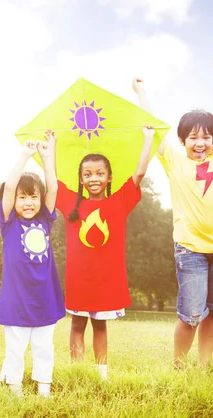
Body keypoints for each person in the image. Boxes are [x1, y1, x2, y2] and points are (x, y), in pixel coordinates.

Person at [134, 45, 213, 368]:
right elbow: (153, 122)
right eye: (193, 137)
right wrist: (141, 92)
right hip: (190, 250)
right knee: (191, 315)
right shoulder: (174, 160)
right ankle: (179, 369)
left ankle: (203, 367)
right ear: (182, 140)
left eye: (206, 137)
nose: (200, 143)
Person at [57, 123, 155, 380]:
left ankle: (101, 375)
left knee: (100, 326)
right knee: (77, 325)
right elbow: (51, 182)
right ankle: (77, 374)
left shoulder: (119, 202)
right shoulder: (70, 203)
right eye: (87, 174)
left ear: (109, 177)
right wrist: (50, 149)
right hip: (79, 279)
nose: (94, 179)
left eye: (100, 173)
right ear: (81, 179)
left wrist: (149, 138)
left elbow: (140, 172)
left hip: (105, 281)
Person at [0, 133, 65, 397]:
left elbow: (53, 189)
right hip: (16, 298)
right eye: (23, 198)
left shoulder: (45, 219)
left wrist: (46, 158)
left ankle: (44, 388)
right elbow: (10, 186)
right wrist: (25, 155)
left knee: (44, 345)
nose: (28, 202)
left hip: (44, 296)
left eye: (33, 197)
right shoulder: (9, 222)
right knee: (16, 346)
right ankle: (14, 387)